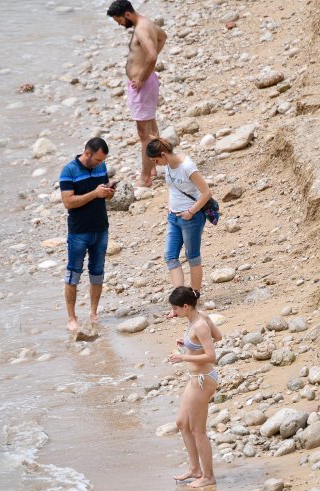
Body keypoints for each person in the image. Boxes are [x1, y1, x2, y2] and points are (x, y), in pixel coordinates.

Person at [167, 286, 223, 488]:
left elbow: (212, 356)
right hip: (195, 378)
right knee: (182, 422)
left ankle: (208, 476)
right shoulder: (199, 319)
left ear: (185, 306)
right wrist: (190, 344)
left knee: (198, 430)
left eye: (175, 309)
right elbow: (218, 336)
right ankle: (195, 469)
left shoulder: (199, 324)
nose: (173, 313)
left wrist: (183, 356)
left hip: (203, 379)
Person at [107, 0, 167, 188]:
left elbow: (152, 55)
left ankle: (145, 178)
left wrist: (141, 77)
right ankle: (153, 166)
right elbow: (163, 37)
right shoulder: (147, 23)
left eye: (119, 21)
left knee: (144, 134)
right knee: (151, 128)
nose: (119, 25)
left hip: (142, 85)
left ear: (127, 15)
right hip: (146, 83)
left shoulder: (141, 29)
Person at [146, 138, 212, 301]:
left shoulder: (187, 166)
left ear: (163, 154)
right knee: (170, 256)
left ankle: (194, 294)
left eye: (156, 161)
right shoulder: (168, 165)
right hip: (173, 216)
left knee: (192, 256)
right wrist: (170, 204)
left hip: (191, 217)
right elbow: (173, 188)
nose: (157, 165)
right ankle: (180, 297)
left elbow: (206, 193)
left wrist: (190, 211)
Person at [59, 138, 115, 331]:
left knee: (97, 272)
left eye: (102, 161)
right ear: (87, 153)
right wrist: (95, 194)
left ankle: (93, 313)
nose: (101, 164)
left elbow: (103, 193)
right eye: (98, 160)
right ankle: (71, 318)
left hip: (101, 228)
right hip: (79, 231)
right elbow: (68, 202)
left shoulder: (101, 167)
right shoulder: (69, 171)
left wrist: (108, 193)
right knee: (73, 273)